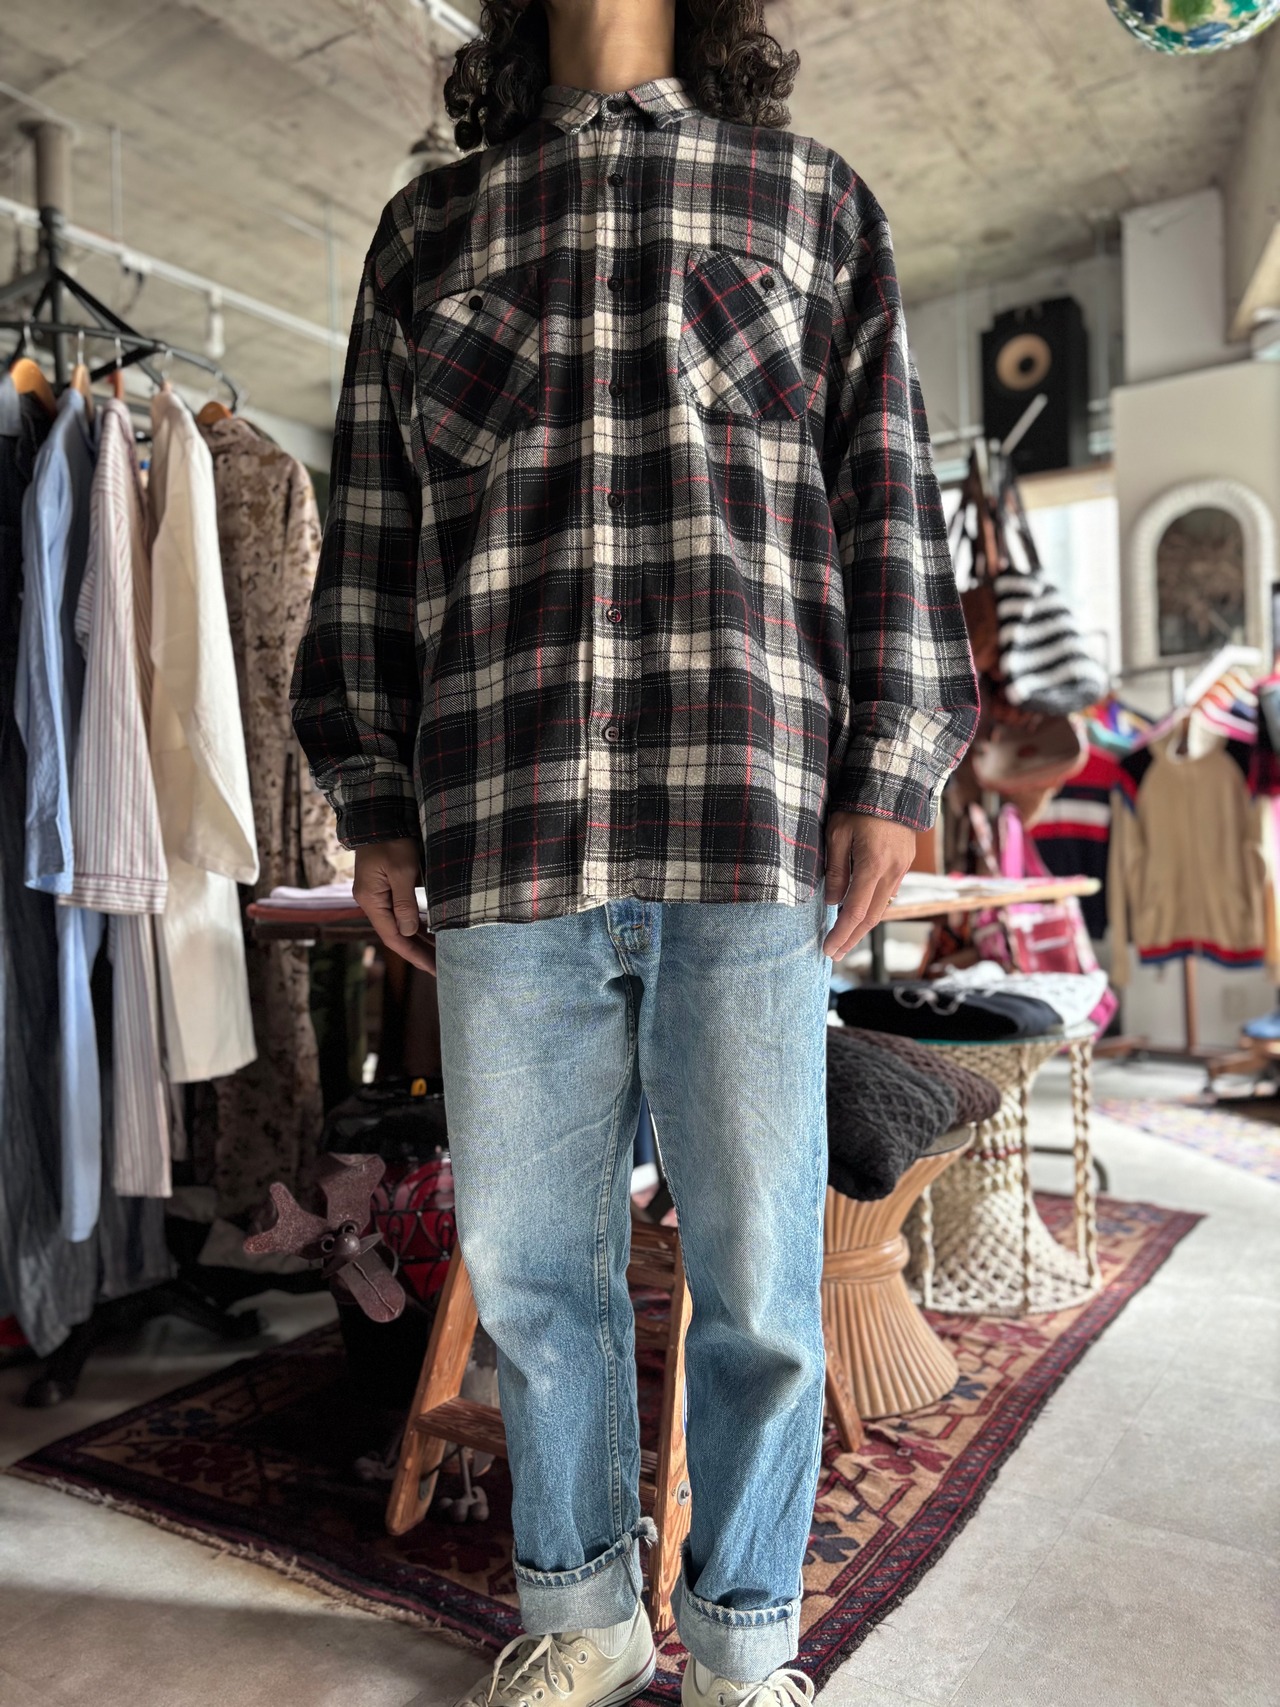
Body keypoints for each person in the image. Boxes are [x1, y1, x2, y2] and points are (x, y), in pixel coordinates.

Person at [291, 0, 978, 1701]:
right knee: (533, 1271)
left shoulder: (807, 200)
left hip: (744, 809)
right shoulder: (432, 231)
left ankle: (745, 1647)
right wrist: (371, 791)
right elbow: (374, 524)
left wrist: (894, 762)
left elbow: (886, 496)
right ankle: (584, 1617)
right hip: (502, 813)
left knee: (758, 1276)